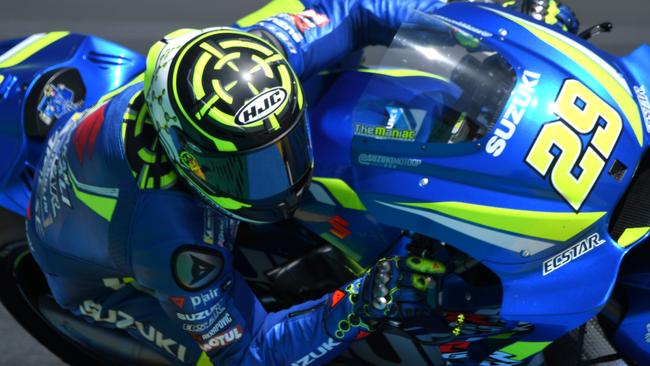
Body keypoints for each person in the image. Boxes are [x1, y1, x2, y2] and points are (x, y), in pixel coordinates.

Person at [25, 0, 578, 364]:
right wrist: (359, 304)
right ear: (187, 160)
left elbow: (357, 7)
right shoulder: (170, 238)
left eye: (282, 149)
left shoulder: (252, 57)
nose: (281, 179)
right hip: (99, 273)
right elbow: (250, 353)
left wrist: (484, 27)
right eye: (248, 168)